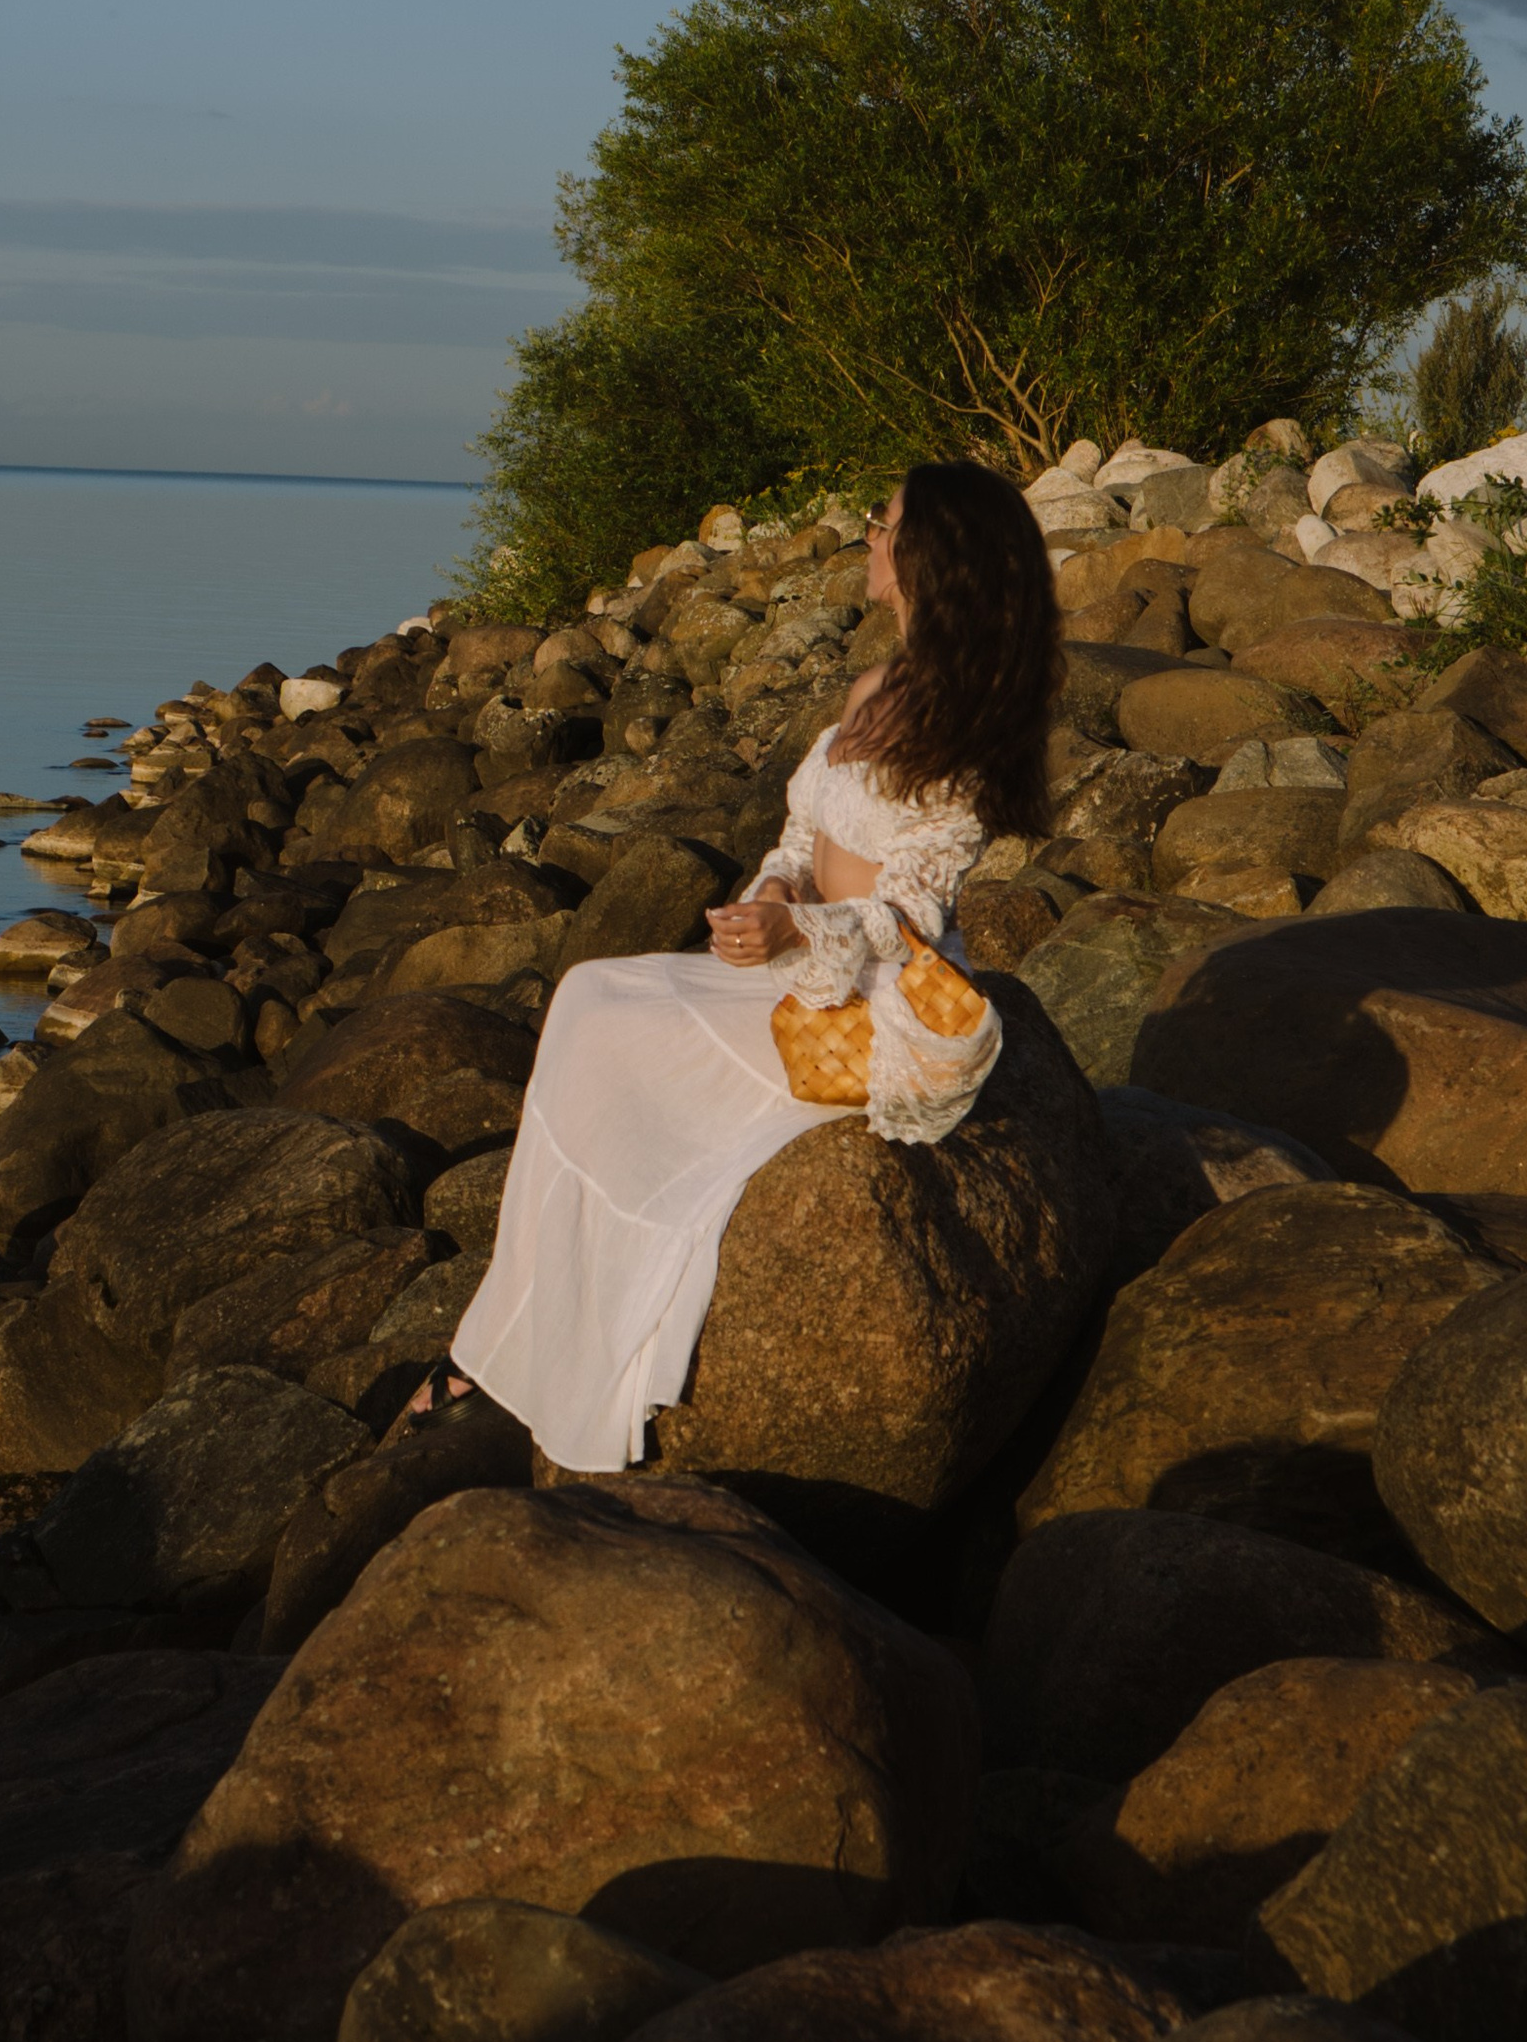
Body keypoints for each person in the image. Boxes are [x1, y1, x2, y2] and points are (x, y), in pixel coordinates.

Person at [434, 457, 1061, 1473]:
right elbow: (797, 835)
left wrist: (795, 936)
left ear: (930, 558)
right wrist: (772, 894)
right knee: (591, 995)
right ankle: (518, 1325)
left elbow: (909, 914)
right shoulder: (875, 690)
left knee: (602, 1024)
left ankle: (555, 1346)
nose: (868, 536)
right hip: (794, 959)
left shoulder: (968, 735)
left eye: (882, 522)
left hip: (871, 1005)